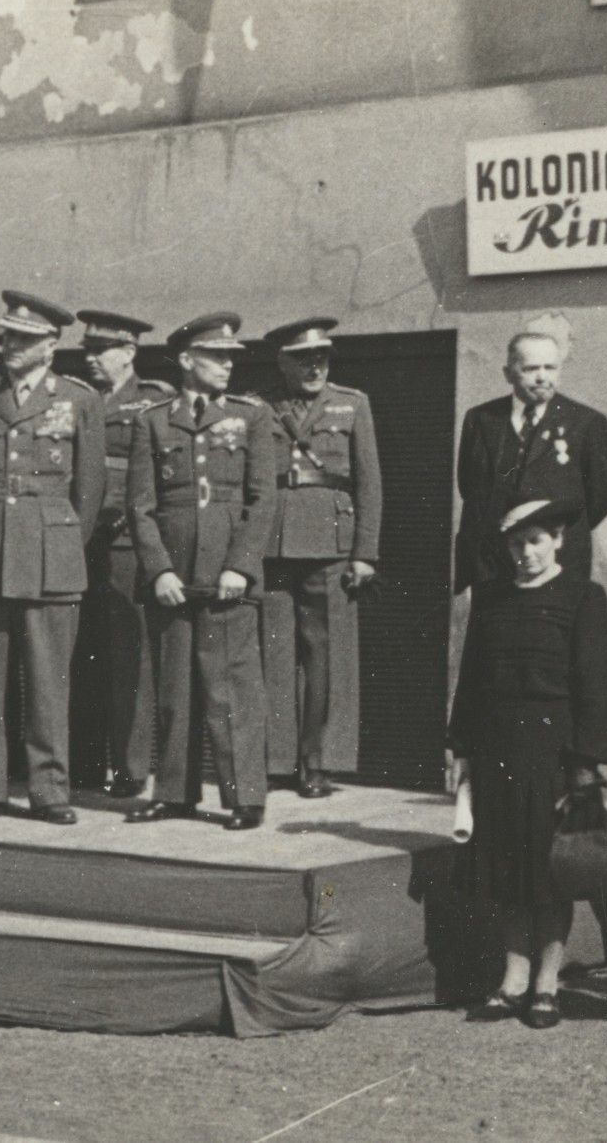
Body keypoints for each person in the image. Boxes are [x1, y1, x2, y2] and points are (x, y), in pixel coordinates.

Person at [449, 498, 607, 1029]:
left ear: (557, 541)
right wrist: (462, 749)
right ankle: (512, 982)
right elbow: (471, 678)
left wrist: (586, 764)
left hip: (555, 754)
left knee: (550, 873)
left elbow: (599, 684)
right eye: (516, 543)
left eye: (535, 541)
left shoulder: (583, 597)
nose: (525, 552)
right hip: (498, 751)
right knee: (507, 870)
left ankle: (547, 985)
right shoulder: (492, 597)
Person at [0, 291, 106, 824]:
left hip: (50, 551)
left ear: (51, 345)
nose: (10, 345)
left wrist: (61, 541)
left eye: (24, 338)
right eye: (7, 336)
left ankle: (49, 790)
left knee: (47, 682)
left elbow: (90, 490)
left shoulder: (79, 400)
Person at [123, 313, 277, 831]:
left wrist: (241, 566)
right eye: (216, 356)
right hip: (172, 577)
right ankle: (174, 794)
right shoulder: (153, 420)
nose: (227, 365)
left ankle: (245, 798)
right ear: (187, 360)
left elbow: (263, 499)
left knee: (231, 689)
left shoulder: (251, 416)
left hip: (227, 575)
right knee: (174, 690)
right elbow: (141, 506)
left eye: (231, 357)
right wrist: (159, 571)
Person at [257, 316, 382, 799]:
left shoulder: (352, 404)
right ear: (282, 362)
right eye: (303, 359)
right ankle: (277, 761)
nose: (315, 368)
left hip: (331, 543)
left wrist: (365, 552)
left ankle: (318, 761)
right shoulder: (258, 407)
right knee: (274, 654)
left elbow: (369, 482)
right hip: (272, 542)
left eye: (322, 358)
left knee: (326, 656)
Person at [71, 308, 172, 799]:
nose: (91, 358)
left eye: (101, 350)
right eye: (87, 350)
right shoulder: (75, 399)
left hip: (126, 544)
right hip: (79, 543)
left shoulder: (154, 400)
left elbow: (158, 478)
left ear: (129, 352)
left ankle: (131, 770)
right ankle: (84, 766)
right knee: (80, 655)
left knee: (130, 660)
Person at [453, 332, 607, 593]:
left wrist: (554, 533)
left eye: (550, 367)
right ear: (508, 374)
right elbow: (470, 486)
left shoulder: (586, 423)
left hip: (558, 563)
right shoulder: (482, 419)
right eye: (530, 369)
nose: (542, 377)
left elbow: (603, 496)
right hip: (493, 563)